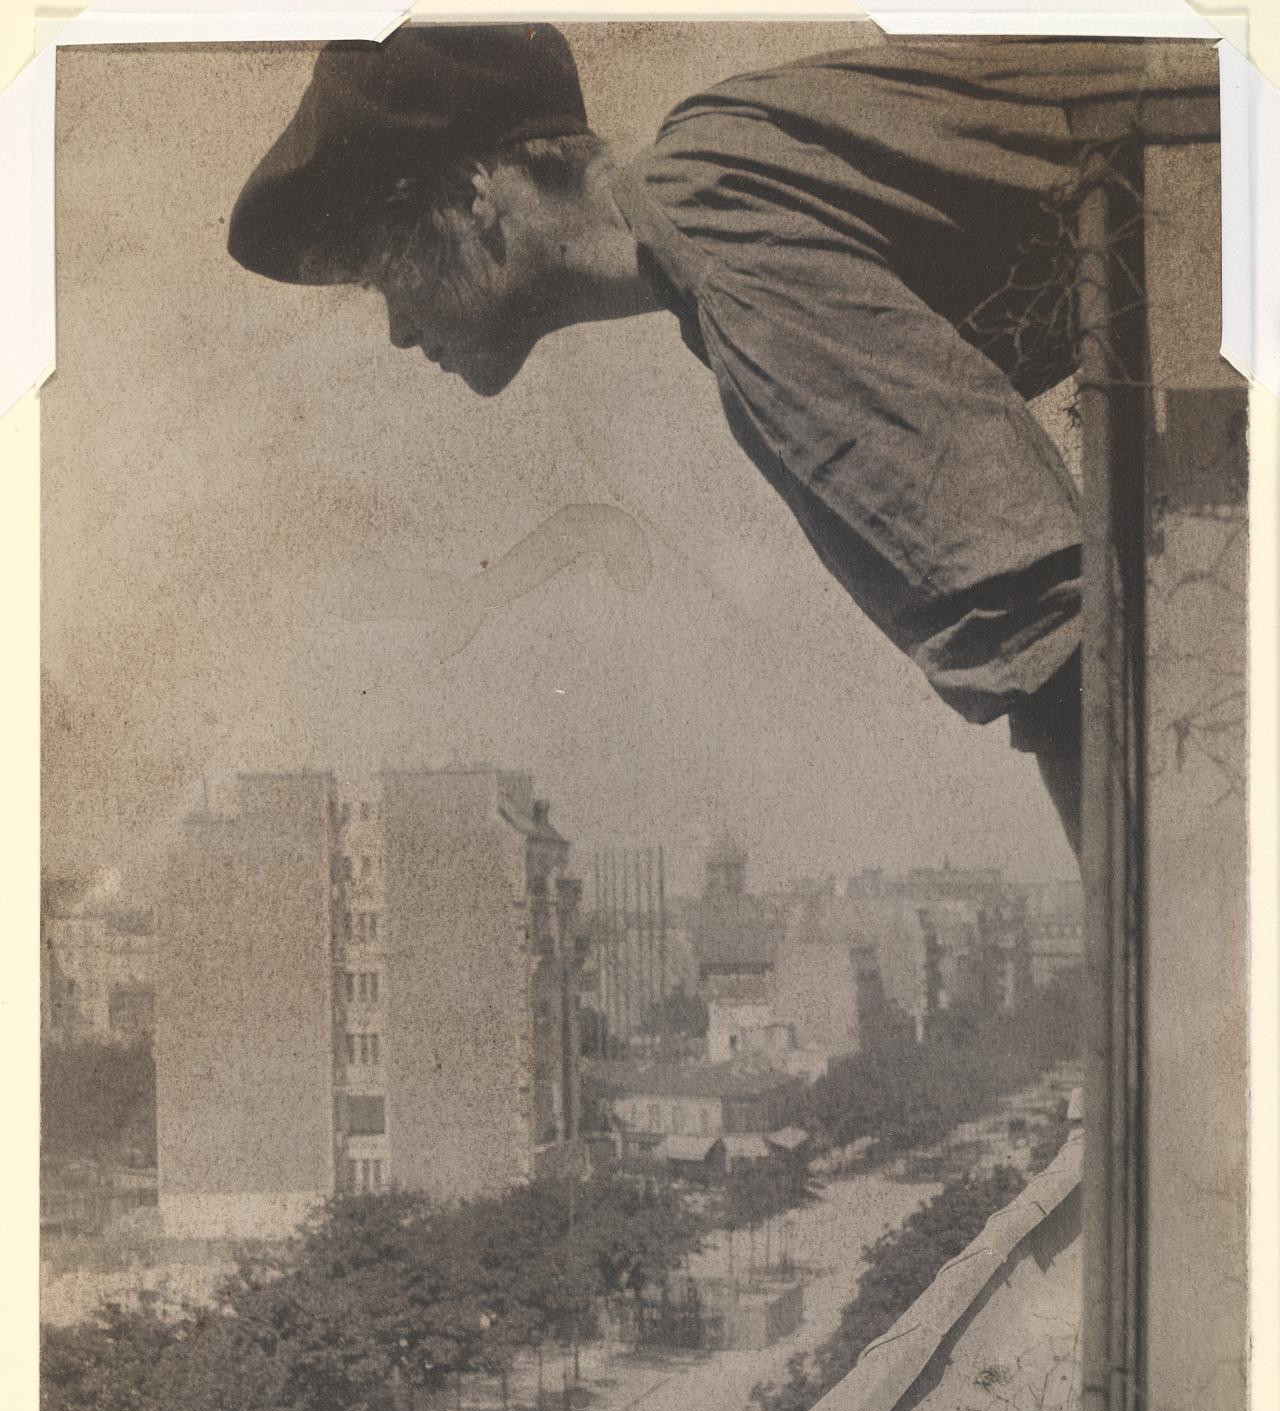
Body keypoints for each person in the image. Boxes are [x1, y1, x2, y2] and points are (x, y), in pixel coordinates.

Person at [227, 26, 1211, 860]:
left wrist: (1178, 1002)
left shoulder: (711, 212)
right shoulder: (720, 198)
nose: (397, 327)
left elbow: (1050, 627)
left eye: (381, 267)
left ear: (476, 190)